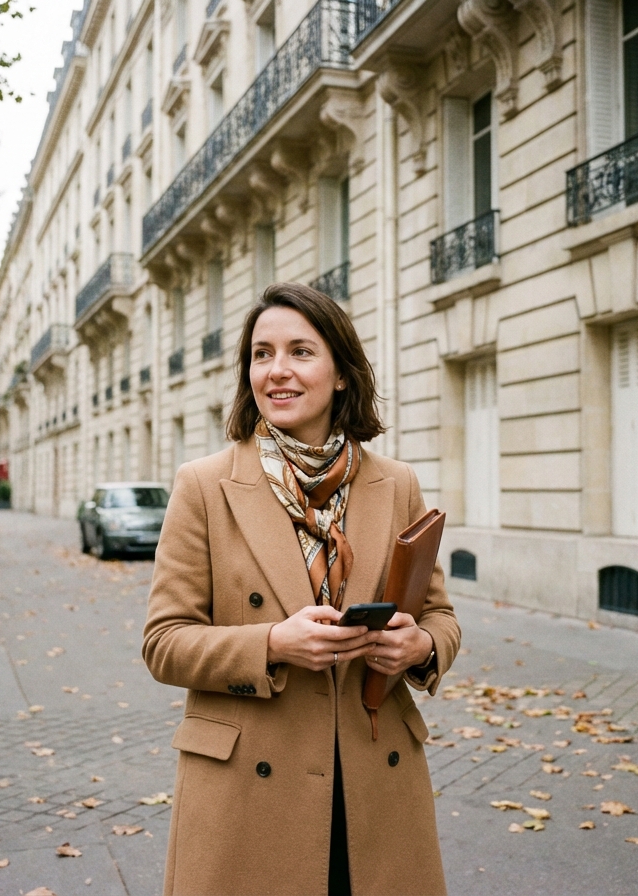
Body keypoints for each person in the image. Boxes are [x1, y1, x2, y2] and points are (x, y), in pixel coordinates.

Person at [143, 282, 460, 895]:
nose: (277, 371)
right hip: (249, 794)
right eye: (262, 354)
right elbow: (164, 643)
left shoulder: (395, 484)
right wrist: (272, 645)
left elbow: (440, 615)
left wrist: (418, 648)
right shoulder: (204, 486)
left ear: (341, 372)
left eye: (300, 352)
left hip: (373, 783)